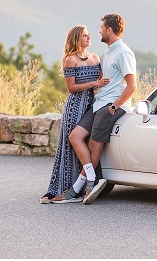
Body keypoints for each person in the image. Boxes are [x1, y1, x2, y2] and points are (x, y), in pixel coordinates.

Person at [53, 13, 137, 205]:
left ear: (109, 29)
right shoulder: (108, 52)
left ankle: (79, 188)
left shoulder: (123, 52)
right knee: (74, 136)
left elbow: (132, 86)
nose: (98, 31)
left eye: (100, 28)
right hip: (99, 103)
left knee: (93, 144)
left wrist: (114, 107)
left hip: (111, 105)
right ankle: (91, 178)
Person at [42, 25, 109, 204]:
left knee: (88, 142)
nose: (89, 38)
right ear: (76, 38)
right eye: (85, 36)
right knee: (71, 146)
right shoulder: (70, 60)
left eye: (89, 35)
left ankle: (83, 185)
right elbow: (71, 88)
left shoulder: (95, 57)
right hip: (75, 107)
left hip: (92, 105)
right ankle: (70, 187)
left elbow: (102, 81)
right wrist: (94, 83)